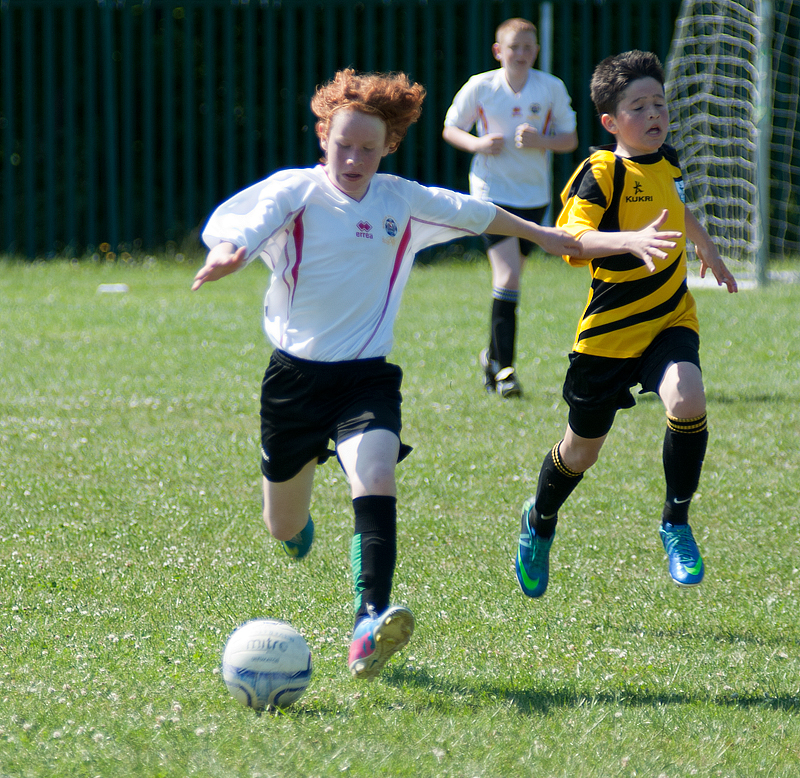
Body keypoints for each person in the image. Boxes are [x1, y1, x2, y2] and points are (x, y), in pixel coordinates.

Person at [192, 69, 581, 679]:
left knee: (374, 472)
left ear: (387, 148)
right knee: (283, 526)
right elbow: (239, 223)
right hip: (293, 381)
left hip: (367, 378)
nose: (353, 158)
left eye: (368, 149)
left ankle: (367, 621)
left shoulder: (400, 201)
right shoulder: (295, 193)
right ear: (324, 135)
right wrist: (229, 253)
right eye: (343, 143)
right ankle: (297, 529)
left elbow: (481, 214)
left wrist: (550, 237)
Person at [514, 50, 738, 600]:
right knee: (581, 451)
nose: (655, 113)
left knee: (687, 399)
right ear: (611, 122)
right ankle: (539, 521)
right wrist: (628, 242)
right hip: (609, 335)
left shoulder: (668, 160)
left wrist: (703, 242)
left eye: (660, 102)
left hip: (669, 317)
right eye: (639, 106)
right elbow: (570, 238)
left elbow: (674, 206)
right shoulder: (601, 171)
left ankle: (675, 523)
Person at [443, 17, 578, 398]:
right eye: (513, 47)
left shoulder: (550, 88)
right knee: (507, 277)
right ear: (498, 51)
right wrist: (478, 145)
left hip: (533, 198)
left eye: (528, 47)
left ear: (536, 50)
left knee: (510, 279)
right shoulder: (481, 86)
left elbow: (569, 140)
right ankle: (506, 371)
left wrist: (542, 141)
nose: (521, 54)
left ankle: (491, 358)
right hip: (490, 193)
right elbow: (451, 127)